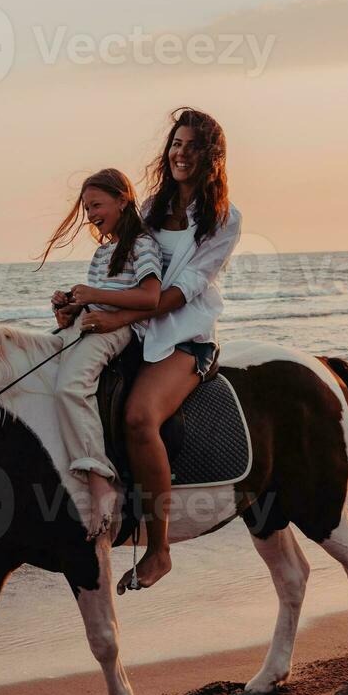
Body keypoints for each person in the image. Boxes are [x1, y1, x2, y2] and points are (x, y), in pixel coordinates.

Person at [77, 108, 242, 592]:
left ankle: (160, 549)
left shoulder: (224, 219)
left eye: (192, 146)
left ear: (211, 156)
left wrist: (120, 316)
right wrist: (76, 303)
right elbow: (125, 270)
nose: (180, 153)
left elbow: (183, 289)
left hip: (185, 336)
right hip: (140, 331)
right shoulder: (148, 209)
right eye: (175, 144)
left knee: (138, 416)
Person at [41, 169, 163, 542]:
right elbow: (94, 296)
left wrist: (95, 295)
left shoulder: (142, 244)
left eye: (96, 204)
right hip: (91, 322)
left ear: (123, 199)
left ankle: (99, 478)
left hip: (121, 328)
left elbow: (149, 296)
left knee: (71, 388)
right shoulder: (102, 251)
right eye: (86, 208)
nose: (90, 214)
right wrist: (68, 309)